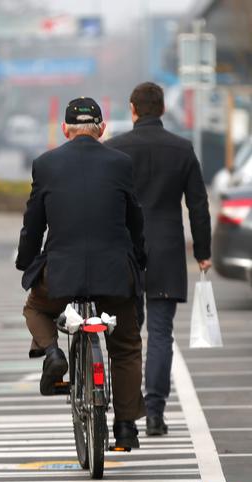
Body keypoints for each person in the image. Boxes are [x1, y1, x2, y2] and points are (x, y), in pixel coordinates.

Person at [16, 97, 147, 450]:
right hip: (114, 273)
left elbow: (33, 224)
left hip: (62, 273)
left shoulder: (45, 164)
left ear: (65, 130)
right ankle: (124, 428)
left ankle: (53, 353)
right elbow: (134, 219)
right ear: (102, 129)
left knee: (35, 308)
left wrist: (25, 260)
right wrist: (140, 259)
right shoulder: (121, 164)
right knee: (126, 346)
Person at [105, 82, 212, 437]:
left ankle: (126, 414)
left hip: (125, 255)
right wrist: (203, 252)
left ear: (133, 109)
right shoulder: (182, 149)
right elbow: (198, 204)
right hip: (167, 251)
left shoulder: (116, 149)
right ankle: (154, 414)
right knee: (161, 334)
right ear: (163, 110)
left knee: (127, 335)